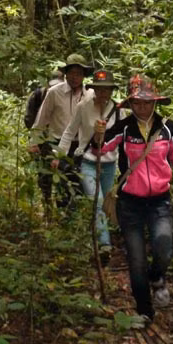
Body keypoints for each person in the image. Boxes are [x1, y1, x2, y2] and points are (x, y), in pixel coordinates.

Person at [93, 74, 173, 322]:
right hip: (130, 203)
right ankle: (144, 311)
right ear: (130, 104)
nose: (142, 107)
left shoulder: (167, 128)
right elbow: (100, 149)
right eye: (137, 103)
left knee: (164, 248)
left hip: (159, 202)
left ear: (155, 102)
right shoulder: (124, 128)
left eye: (147, 102)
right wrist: (98, 134)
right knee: (136, 260)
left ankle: (157, 276)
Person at [57, 69, 122, 262]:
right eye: (99, 89)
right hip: (88, 162)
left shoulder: (118, 110)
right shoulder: (83, 106)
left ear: (111, 91)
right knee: (98, 202)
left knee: (108, 205)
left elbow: (124, 137)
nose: (103, 93)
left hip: (109, 164)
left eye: (107, 89)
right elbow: (69, 132)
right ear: (94, 89)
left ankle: (101, 235)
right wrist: (59, 156)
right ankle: (105, 245)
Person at [29, 53, 94, 212]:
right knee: (58, 182)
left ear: (84, 75)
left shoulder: (90, 94)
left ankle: (74, 217)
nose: (75, 77)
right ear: (65, 74)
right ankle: (56, 214)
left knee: (78, 182)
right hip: (56, 143)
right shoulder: (54, 92)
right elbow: (42, 117)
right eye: (71, 73)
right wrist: (34, 142)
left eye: (79, 74)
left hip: (79, 145)